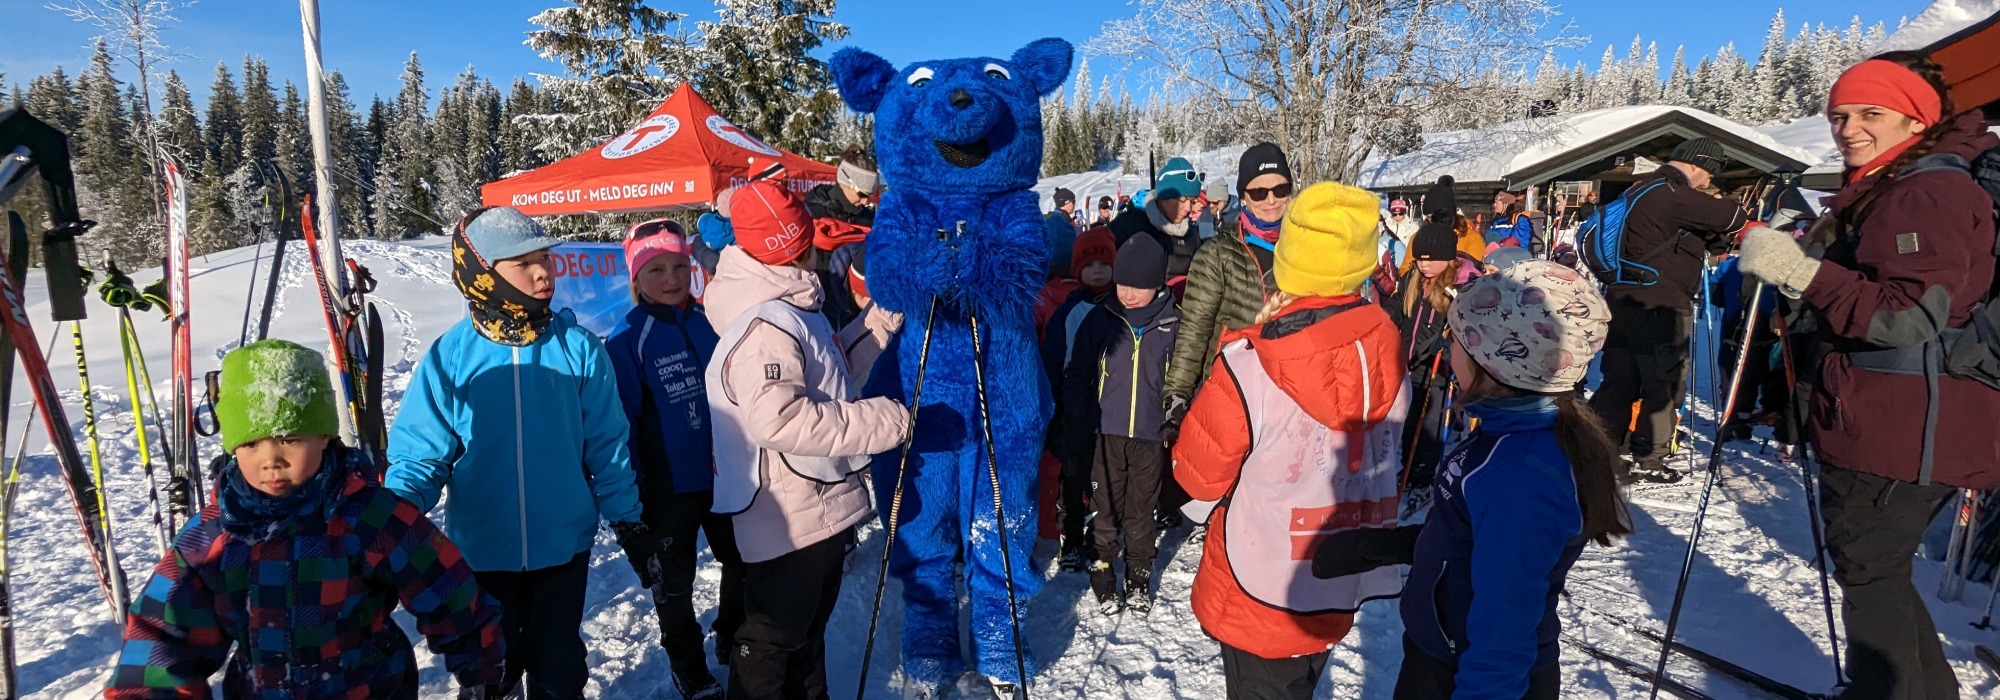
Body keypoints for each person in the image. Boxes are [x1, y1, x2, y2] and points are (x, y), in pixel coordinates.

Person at [1735, 52, 2000, 700]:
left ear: (1917, 120)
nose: (1849, 129)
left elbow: (1908, 315)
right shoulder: (1898, 184)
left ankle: (1883, 690)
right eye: (1839, 116)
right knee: (1875, 570)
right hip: (1902, 418)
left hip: (1901, 425)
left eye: (1871, 113)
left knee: (1870, 570)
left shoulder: (1923, 191)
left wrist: (1799, 271)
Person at [107, 340, 508, 699]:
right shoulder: (214, 536)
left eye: (290, 438)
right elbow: (163, 634)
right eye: (251, 443)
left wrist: (480, 664)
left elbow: (445, 585)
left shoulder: (367, 516)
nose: (271, 459)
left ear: (324, 436)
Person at [1315, 260, 1630, 698]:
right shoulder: (1508, 433)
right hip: (1442, 652)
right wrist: (1377, 547)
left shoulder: (1521, 476)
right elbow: (1471, 535)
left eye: (1458, 341)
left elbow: (1504, 633)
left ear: (1496, 364)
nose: (1448, 351)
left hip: (1467, 672)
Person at [387, 207, 658, 700]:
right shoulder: (451, 357)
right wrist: (391, 524)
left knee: (559, 670)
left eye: (545, 259)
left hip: (563, 549)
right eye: (523, 263)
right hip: (484, 553)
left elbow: (607, 446)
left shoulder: (578, 349)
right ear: (482, 274)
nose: (542, 273)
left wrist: (629, 520)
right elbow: (420, 458)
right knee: (491, 671)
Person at [1174, 182, 1410, 699]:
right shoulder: (1390, 355)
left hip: (1260, 584)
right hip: (1339, 571)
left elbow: (1198, 476)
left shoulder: (1249, 365)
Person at [705, 180, 910, 700]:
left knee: (804, 635)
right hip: (790, 518)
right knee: (774, 639)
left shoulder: (790, 303)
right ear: (794, 247)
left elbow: (833, 371)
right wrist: (881, 422)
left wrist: (884, 315)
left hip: (815, 508)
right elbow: (778, 419)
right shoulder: (765, 325)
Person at [605, 219, 737, 700]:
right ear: (636, 278)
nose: (672, 279)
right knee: (674, 585)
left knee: (741, 562)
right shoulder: (627, 339)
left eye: (680, 266)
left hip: (725, 477)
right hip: (667, 490)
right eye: (656, 269)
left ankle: (732, 636)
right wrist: (632, 499)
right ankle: (690, 669)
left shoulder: (711, 319)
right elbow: (621, 426)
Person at [1584, 137, 1750, 484]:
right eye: (1709, 173)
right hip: (1660, 305)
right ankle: (1650, 459)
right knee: (1663, 383)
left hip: (1622, 299)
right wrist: (1722, 209)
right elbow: (1732, 216)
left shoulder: (1638, 191)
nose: (1708, 181)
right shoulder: (1671, 194)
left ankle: (1600, 451)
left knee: (1619, 381)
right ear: (1696, 164)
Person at [1161, 143, 1294, 528]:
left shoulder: (1306, 253)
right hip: (1230, 395)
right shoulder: (1218, 254)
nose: (1271, 200)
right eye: (1259, 191)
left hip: (1289, 397)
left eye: (1280, 189)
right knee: (1231, 506)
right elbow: (1194, 330)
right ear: (1243, 196)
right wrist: (1177, 394)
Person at [1062, 234, 1181, 616]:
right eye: (1122, 284)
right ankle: (1102, 573)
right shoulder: (1101, 319)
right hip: (1105, 434)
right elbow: (1078, 371)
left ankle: (1138, 576)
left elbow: (1184, 378)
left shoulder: (1174, 323)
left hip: (1150, 435)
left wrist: (1175, 417)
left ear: (1157, 284)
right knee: (1105, 507)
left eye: (1138, 287)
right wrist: (1078, 416)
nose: (1128, 294)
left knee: (1141, 511)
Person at [1382, 219, 1481, 493]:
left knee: (1429, 427)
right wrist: (1381, 320)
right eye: (1419, 259)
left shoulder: (1460, 287)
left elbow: (1468, 329)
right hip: (1409, 364)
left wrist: (1448, 347)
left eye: (1430, 260)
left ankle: (1422, 476)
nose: (1423, 265)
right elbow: (1396, 308)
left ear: (1447, 257)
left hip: (1439, 370)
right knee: (1408, 421)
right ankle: (1408, 469)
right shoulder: (1412, 279)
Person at [1041, 227, 1119, 571]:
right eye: (1090, 265)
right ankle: (1071, 540)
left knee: (1104, 478)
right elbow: (1052, 359)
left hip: (1114, 410)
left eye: (1104, 264)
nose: (1098, 271)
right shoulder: (1068, 310)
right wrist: (1055, 404)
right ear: (1077, 269)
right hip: (1075, 409)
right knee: (1072, 477)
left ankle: (1099, 539)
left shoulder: (1123, 306)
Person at [805, 145, 880, 330]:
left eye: (870, 196)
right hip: (815, 305)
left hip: (854, 310)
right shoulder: (813, 211)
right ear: (845, 182)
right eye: (862, 194)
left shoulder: (868, 219)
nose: (865, 202)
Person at [1112, 157, 1206, 282]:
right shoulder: (1127, 226)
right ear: (1162, 198)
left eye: (1192, 201)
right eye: (1182, 200)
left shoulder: (1192, 235)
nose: (1188, 208)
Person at [1045, 187, 1081, 271]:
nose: (1075, 205)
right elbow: (1066, 249)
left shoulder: (1053, 219)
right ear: (1066, 202)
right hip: (1060, 269)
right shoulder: (1059, 222)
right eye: (1073, 202)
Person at [1380, 195, 1419, 272]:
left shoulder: (1413, 228)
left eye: (1400, 213)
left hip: (1406, 264)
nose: (1398, 216)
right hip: (1387, 263)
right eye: (1394, 214)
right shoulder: (1384, 225)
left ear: (1405, 212)